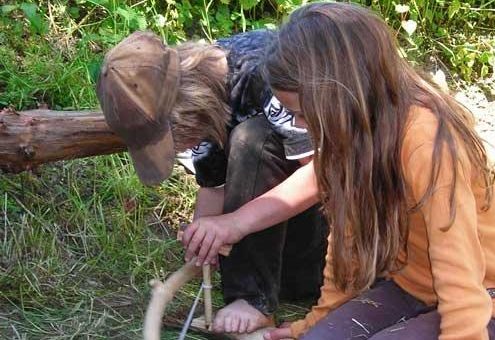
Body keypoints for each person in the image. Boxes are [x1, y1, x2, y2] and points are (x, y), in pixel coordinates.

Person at [183, 3, 495, 339]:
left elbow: (461, 277)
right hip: (411, 289)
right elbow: (343, 247)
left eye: (302, 113)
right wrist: (315, 325)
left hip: (487, 308)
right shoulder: (353, 136)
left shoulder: (425, 140)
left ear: (338, 94)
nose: (296, 124)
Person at [95, 30, 328, 335]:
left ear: (188, 102)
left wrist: (234, 224)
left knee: (251, 138)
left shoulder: (268, 75)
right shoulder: (210, 101)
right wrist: (203, 235)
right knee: (241, 138)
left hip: (334, 245)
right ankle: (254, 289)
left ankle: (252, 299)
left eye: (173, 138)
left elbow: (321, 176)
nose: (177, 148)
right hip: (289, 257)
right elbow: (214, 186)